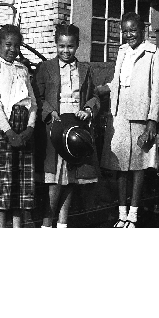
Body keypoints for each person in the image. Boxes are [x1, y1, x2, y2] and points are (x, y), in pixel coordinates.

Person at [97, 12, 159, 228]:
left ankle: (133, 216)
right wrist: (102, 89)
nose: (129, 35)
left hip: (140, 117)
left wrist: (152, 122)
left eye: (132, 30)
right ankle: (121, 214)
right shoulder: (122, 52)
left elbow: (156, 92)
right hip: (119, 115)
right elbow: (117, 81)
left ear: (143, 30)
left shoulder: (154, 54)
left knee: (138, 167)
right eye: (125, 31)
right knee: (119, 166)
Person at [33, 23, 100, 228]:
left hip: (77, 128)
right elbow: (38, 96)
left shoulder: (85, 69)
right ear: (56, 44)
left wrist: (88, 109)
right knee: (55, 181)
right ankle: (46, 224)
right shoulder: (46, 68)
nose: (65, 50)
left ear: (77, 45)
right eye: (61, 46)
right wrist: (49, 111)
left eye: (70, 46)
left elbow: (94, 97)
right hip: (56, 128)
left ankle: (62, 224)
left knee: (72, 179)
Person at [0, 24, 37, 228]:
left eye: (16, 45)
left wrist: (30, 128)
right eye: (8, 45)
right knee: (2, 181)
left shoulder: (22, 68)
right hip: (2, 127)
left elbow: (33, 102)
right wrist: (9, 132)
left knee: (20, 182)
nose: (12, 49)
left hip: (23, 129)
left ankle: (17, 228)